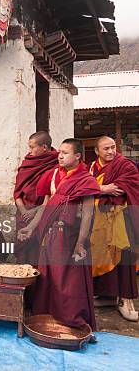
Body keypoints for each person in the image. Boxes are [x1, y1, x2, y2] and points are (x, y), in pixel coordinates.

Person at [18, 138, 100, 330]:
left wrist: (81, 243)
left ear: (78, 156)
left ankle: (71, 321)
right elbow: (46, 206)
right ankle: (48, 317)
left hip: (70, 237)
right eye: (60, 152)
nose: (60, 156)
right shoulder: (53, 174)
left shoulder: (85, 180)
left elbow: (88, 214)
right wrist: (30, 228)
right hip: (50, 235)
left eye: (65, 153)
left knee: (69, 281)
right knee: (49, 278)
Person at [89, 136, 139, 322]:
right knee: (101, 255)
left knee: (122, 255)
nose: (111, 152)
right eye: (106, 149)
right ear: (97, 151)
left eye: (113, 147)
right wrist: (102, 188)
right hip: (98, 220)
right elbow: (83, 186)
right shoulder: (92, 167)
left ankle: (126, 300)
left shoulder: (125, 165)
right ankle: (107, 295)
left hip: (120, 218)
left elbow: (125, 186)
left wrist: (98, 188)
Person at [13, 131, 59, 264]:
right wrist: (24, 212)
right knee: (23, 249)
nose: (30, 151)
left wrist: (35, 211)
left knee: (39, 251)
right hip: (23, 213)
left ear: (44, 147)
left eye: (32, 147)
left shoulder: (56, 164)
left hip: (44, 212)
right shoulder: (28, 163)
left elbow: (54, 194)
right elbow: (17, 193)